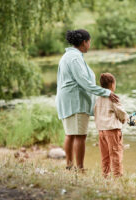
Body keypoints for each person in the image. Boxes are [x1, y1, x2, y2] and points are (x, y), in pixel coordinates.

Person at [55, 29, 119, 171]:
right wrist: (106, 92)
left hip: (69, 101)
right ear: (84, 42)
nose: (90, 44)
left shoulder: (69, 56)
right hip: (75, 102)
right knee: (79, 136)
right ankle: (80, 168)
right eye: (89, 42)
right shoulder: (75, 58)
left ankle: (70, 166)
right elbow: (84, 83)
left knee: (70, 134)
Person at [94, 73, 128, 178]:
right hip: (112, 131)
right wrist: (125, 119)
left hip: (101, 132)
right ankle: (118, 178)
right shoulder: (113, 98)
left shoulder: (98, 98)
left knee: (105, 156)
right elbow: (121, 113)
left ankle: (105, 176)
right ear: (112, 84)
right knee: (116, 155)